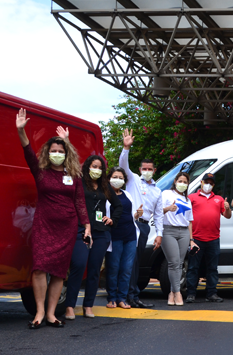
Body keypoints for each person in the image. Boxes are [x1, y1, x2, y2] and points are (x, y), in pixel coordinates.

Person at [16, 109, 90, 329]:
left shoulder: (74, 175)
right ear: (48, 153)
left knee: (59, 271)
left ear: (66, 153)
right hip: (44, 225)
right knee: (39, 267)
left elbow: (79, 202)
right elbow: (28, 151)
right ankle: (38, 312)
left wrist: (86, 225)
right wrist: (21, 130)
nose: (56, 153)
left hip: (67, 227)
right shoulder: (40, 171)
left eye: (60, 150)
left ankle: (51, 314)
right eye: (53, 150)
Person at [65, 154, 123, 320]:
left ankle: (88, 305)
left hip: (101, 232)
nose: (96, 170)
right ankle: (70, 306)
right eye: (94, 166)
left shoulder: (105, 185)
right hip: (81, 230)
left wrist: (112, 220)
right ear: (87, 167)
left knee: (94, 270)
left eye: (100, 167)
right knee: (78, 265)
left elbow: (118, 206)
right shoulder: (80, 182)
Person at [120, 129, 162, 309]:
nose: (146, 171)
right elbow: (123, 166)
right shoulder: (133, 180)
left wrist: (159, 234)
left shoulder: (157, 190)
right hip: (130, 223)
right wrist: (126, 148)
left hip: (144, 227)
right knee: (128, 261)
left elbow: (159, 214)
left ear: (154, 170)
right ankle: (128, 295)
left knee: (136, 261)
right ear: (139, 170)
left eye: (149, 169)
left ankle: (133, 295)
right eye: (143, 169)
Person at [185, 173, 232, 303]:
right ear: (201, 182)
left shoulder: (219, 199)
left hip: (213, 239)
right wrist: (191, 239)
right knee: (193, 267)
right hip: (196, 239)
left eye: (211, 183)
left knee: (212, 268)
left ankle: (211, 293)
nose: (208, 185)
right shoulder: (192, 197)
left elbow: (227, 215)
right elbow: (186, 216)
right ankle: (191, 294)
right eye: (206, 182)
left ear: (214, 185)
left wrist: (227, 208)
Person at [104, 167, 141, 309]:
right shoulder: (105, 195)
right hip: (114, 236)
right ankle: (112, 298)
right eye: (115, 177)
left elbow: (131, 215)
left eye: (121, 178)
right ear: (108, 179)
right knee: (113, 268)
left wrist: (137, 214)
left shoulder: (127, 195)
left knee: (127, 269)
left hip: (130, 236)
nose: (118, 180)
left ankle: (122, 298)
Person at [161, 172, 195, 306]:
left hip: (184, 232)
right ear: (175, 181)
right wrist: (169, 208)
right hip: (169, 230)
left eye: (185, 182)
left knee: (179, 264)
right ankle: (178, 293)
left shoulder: (187, 200)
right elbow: (157, 212)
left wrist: (191, 239)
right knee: (173, 262)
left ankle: (172, 293)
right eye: (180, 181)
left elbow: (190, 221)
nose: (182, 184)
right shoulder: (166, 194)